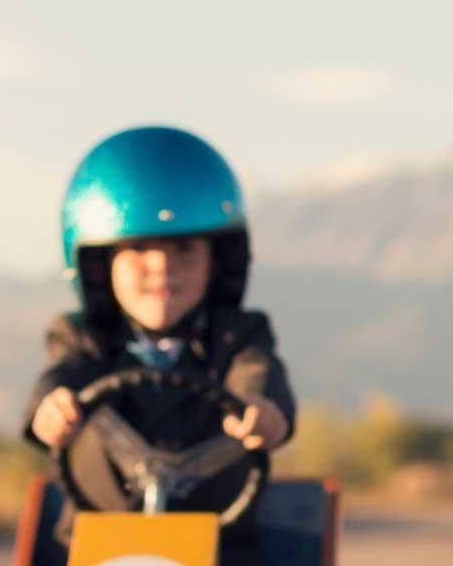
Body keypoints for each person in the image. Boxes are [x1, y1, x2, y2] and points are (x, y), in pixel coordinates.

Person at [24, 126, 294, 564]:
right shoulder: (81, 338)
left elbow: (257, 375)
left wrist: (260, 411)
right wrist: (50, 412)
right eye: (138, 249)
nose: (162, 267)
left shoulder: (239, 335)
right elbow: (57, 380)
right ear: (98, 265)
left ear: (219, 260)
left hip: (222, 551)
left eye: (184, 249)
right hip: (96, 550)